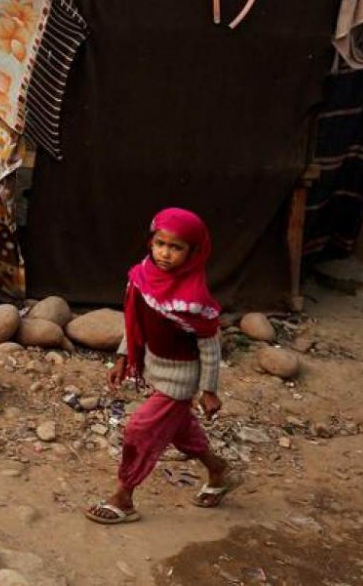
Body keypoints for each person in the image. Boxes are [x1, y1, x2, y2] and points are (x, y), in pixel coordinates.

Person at [85, 207, 234, 525]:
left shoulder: (194, 299)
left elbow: (210, 348)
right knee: (179, 430)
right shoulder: (143, 276)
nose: (165, 253)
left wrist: (209, 390)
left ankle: (123, 498)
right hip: (155, 366)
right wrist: (124, 357)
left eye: (176, 247)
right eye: (160, 243)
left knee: (141, 429)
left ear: (193, 252)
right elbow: (135, 321)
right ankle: (218, 469)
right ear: (150, 242)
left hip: (180, 380)